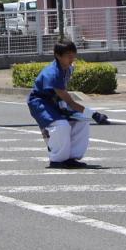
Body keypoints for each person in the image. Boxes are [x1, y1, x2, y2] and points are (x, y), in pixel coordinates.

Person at [27, 40, 106, 168]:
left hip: (56, 101)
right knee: (61, 125)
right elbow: (71, 102)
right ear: (58, 56)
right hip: (40, 103)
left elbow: (65, 99)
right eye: (68, 55)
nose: (72, 58)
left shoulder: (68, 68)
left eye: (73, 54)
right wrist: (94, 114)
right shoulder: (52, 74)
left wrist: (89, 115)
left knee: (82, 121)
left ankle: (71, 158)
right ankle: (57, 159)